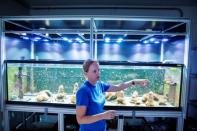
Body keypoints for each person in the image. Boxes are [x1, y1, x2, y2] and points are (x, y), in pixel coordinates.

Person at [76, 59, 149, 131]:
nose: (98, 73)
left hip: (101, 127)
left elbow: (118, 87)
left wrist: (134, 81)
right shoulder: (83, 91)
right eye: (94, 71)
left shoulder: (99, 85)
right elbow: (80, 119)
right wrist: (103, 116)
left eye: (99, 70)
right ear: (86, 74)